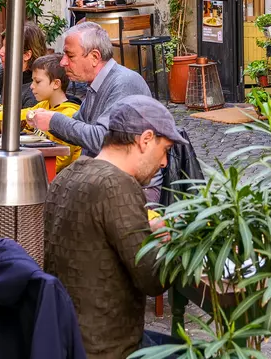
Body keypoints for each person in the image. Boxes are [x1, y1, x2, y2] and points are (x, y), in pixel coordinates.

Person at [44, 96, 184, 359]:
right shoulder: (117, 185)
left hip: (69, 339)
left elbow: (101, 238)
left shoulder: (67, 176)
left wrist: (147, 228)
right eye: (164, 149)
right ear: (145, 139)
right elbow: (153, 279)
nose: (164, 162)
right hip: (110, 349)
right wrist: (173, 240)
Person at [28, 21, 155, 193]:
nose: (63, 62)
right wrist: (45, 122)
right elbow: (77, 127)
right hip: (101, 179)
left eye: (70, 56)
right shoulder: (97, 84)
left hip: (130, 189)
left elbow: (103, 140)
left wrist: (53, 120)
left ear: (94, 57)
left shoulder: (124, 82)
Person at [0, 22, 48, 109]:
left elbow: (23, 121)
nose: (0, 52)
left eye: (8, 47)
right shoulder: (5, 70)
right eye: (3, 46)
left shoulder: (37, 88)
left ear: (26, 55)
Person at [26, 54, 82, 172]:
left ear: (56, 84)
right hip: (39, 166)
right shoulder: (43, 105)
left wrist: (29, 170)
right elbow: (23, 124)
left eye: (37, 81)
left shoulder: (69, 114)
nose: (32, 86)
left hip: (59, 178)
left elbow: (62, 159)